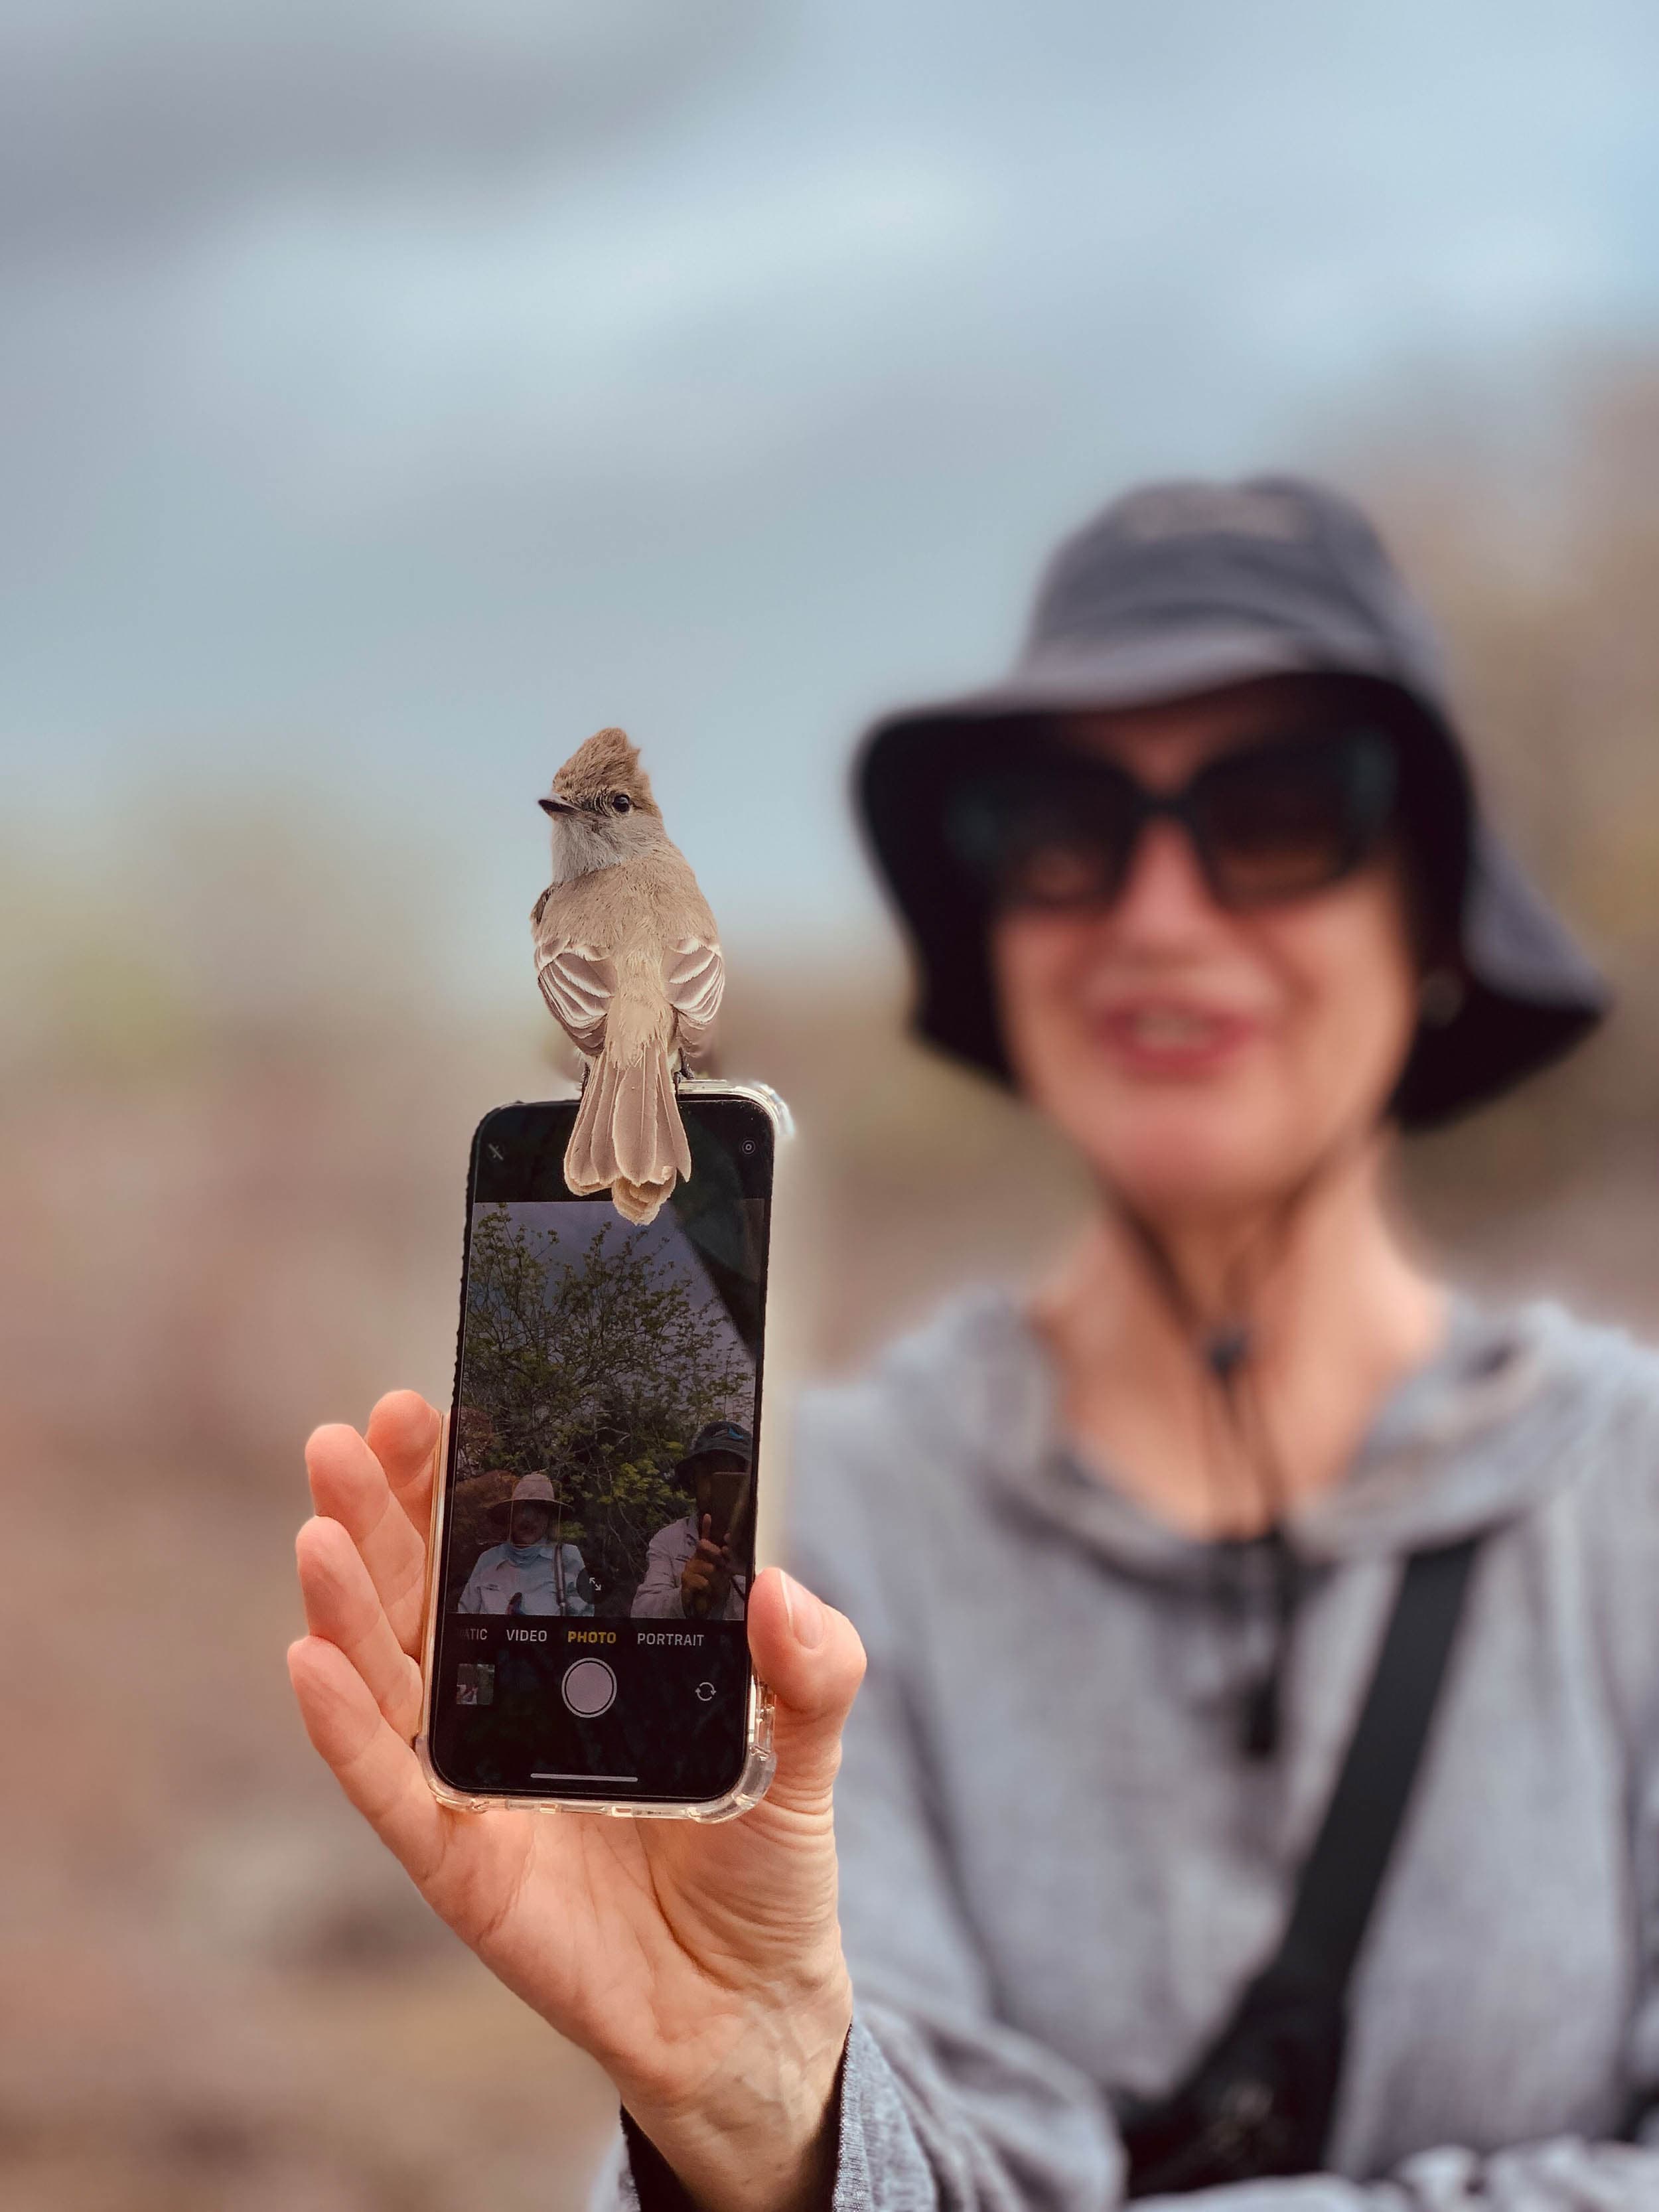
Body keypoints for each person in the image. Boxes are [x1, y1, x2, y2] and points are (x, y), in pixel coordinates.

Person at [288, 475, 1659, 2212]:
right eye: (1058, 825)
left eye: (1286, 809)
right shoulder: (803, 1532)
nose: (1159, 911)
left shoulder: (1631, 1505)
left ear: (1434, 919)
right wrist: (766, 2117)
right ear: (1001, 937)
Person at [631, 1421, 753, 1622]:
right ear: (692, 1481)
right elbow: (640, 1613)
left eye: (736, 1475)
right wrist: (683, 1599)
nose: (719, 1486)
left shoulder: (770, 1543)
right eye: (710, 1473)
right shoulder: (669, 1540)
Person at [455, 1469, 594, 1617]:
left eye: (539, 1511)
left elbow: (582, 1625)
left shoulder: (566, 1558)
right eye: (522, 1510)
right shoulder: (488, 1560)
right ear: (511, 1515)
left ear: (549, 1518)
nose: (529, 1519)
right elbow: (464, 1620)